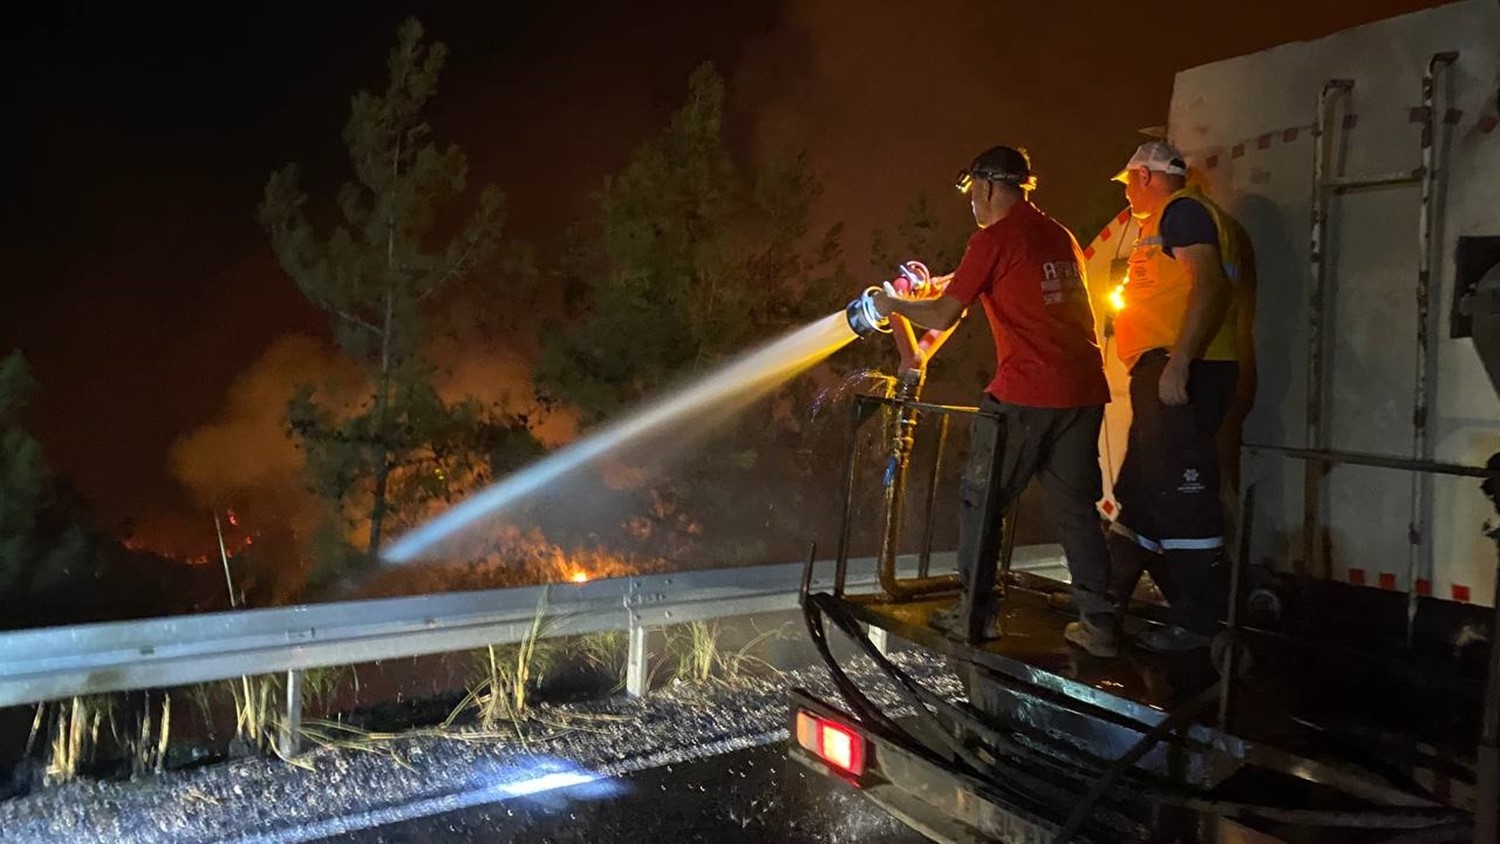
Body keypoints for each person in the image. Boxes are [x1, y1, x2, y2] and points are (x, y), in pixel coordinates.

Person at [870, 145, 1117, 654]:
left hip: (1027, 392)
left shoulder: (994, 238)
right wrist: (938, 285)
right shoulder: (1057, 234)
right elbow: (1006, 286)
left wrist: (891, 303)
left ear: (985, 187)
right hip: (1083, 391)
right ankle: (1101, 625)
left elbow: (941, 317)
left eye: (972, 194)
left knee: (982, 502)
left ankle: (975, 616)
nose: (972, 205)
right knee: (1076, 511)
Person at [1083, 140, 1256, 654]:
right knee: (1139, 490)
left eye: (1130, 181)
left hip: (1182, 368)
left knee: (1184, 492)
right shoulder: (1177, 217)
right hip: (1168, 367)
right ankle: (1106, 611)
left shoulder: (1181, 213)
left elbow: (1210, 286)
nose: (1128, 193)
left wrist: (1179, 362)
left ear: (1144, 176)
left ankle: (1203, 624)